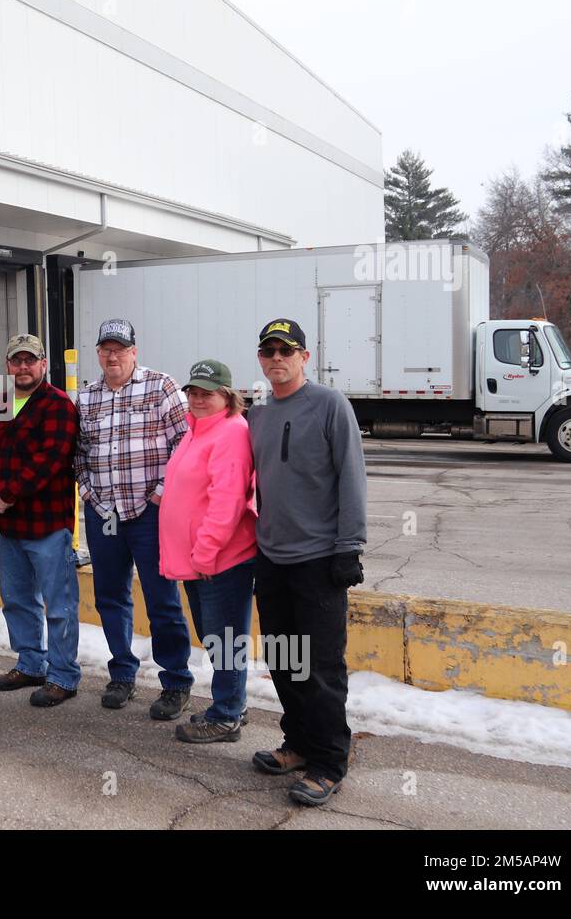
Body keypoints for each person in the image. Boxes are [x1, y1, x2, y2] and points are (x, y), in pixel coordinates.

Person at [247, 318, 367, 807]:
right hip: (271, 557)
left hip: (319, 560)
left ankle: (329, 761)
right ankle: (296, 744)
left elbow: (352, 477)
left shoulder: (330, 405)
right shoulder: (257, 415)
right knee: (283, 658)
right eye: (269, 351)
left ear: (304, 357)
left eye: (286, 350)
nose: (277, 358)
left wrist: (349, 546)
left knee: (319, 667)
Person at [74, 318, 194, 717]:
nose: (112, 355)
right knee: (111, 597)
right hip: (103, 513)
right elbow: (79, 454)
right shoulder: (87, 397)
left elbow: (185, 442)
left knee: (162, 600)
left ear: (134, 352)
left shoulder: (161, 387)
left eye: (120, 349)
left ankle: (175, 681)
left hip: (150, 514)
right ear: (98, 353)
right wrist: (89, 495)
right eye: (106, 348)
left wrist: (161, 494)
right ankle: (122, 673)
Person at [158, 360, 257, 743]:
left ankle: (227, 714)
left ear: (227, 396)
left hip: (219, 562)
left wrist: (204, 553)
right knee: (216, 637)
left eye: (207, 393)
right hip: (201, 562)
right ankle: (233, 703)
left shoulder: (231, 433)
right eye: (193, 392)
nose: (198, 399)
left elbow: (226, 503)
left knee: (225, 640)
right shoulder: (197, 430)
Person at [0, 334, 81, 707]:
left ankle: (63, 675)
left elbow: (51, 459)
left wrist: (7, 493)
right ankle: (30, 664)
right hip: (11, 528)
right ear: (8, 365)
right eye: (16, 360)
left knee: (58, 605)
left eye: (30, 360)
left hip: (48, 526)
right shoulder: (0, 405)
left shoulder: (57, 405)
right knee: (17, 600)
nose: (23, 367)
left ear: (43, 364)